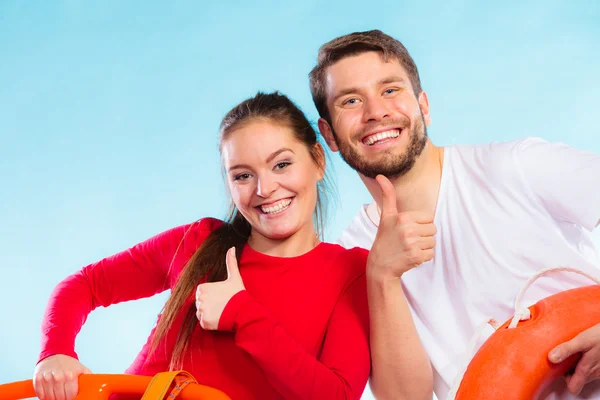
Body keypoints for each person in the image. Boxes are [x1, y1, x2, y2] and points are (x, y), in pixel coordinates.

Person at [33, 91, 383, 400]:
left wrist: (243, 314)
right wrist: (55, 351)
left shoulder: (352, 272)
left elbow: (335, 394)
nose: (265, 188)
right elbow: (85, 285)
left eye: (282, 164)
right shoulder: (199, 243)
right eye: (243, 175)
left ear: (318, 162)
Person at [309, 29, 600, 400]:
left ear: (423, 106)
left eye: (390, 90)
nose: (376, 112)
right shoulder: (349, 260)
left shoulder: (516, 167)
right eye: (350, 101)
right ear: (329, 135)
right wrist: (381, 276)